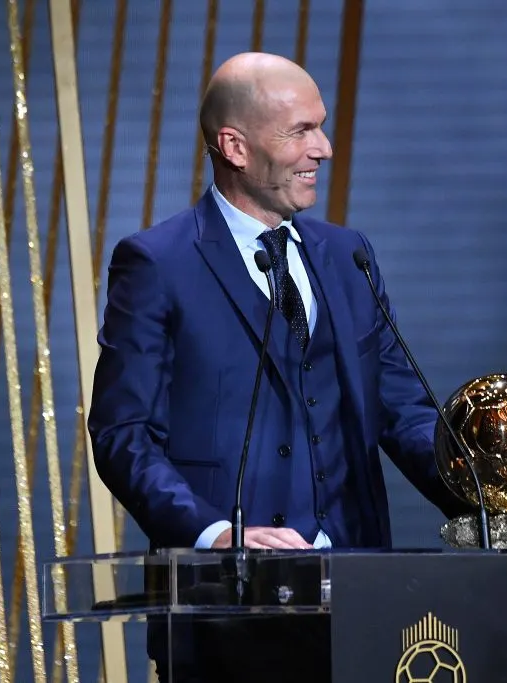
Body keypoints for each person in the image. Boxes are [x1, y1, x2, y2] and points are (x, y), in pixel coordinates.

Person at [87, 52, 471, 682]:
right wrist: (215, 535)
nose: (322, 149)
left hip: (361, 601)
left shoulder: (348, 255)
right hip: (224, 609)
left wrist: (488, 509)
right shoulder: (157, 263)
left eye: (321, 127)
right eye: (300, 131)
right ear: (234, 146)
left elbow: (403, 409)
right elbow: (123, 437)